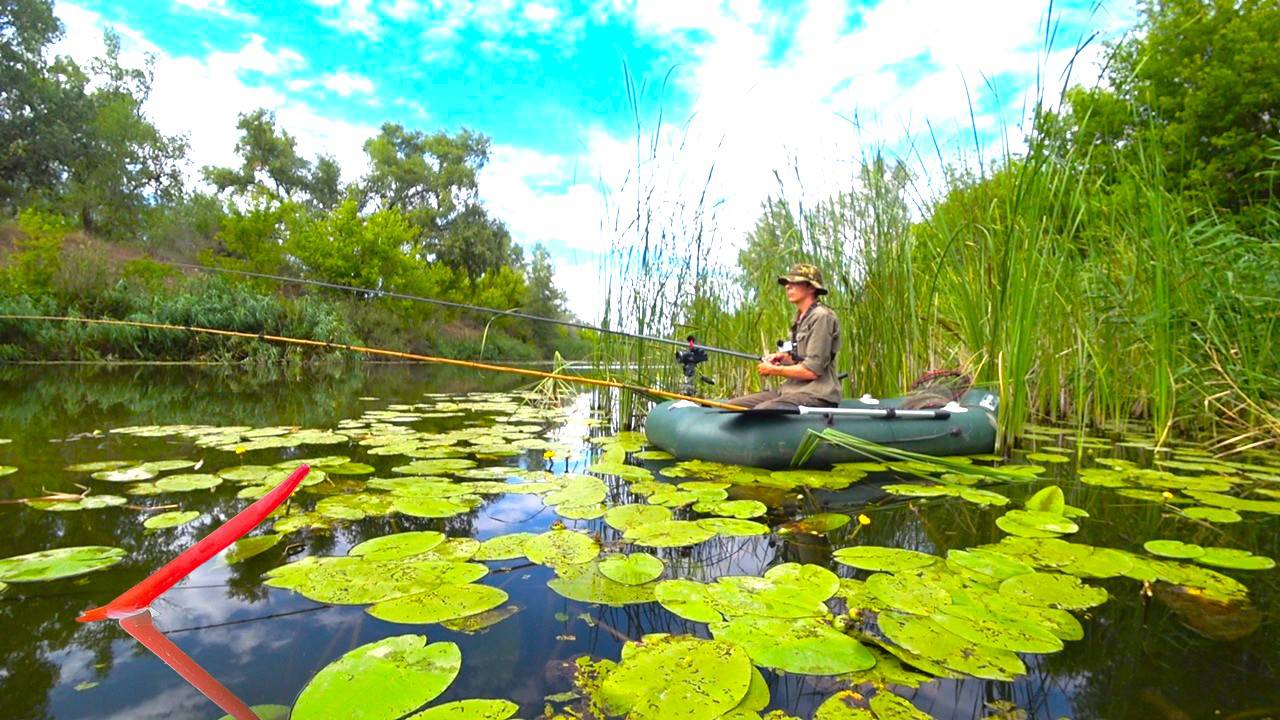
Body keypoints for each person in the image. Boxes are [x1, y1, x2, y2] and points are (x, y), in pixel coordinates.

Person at [728, 263, 842, 411]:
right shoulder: (800, 318)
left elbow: (812, 371)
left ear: (811, 287)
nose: (788, 287)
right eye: (788, 283)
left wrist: (773, 370)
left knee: (762, 412)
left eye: (795, 283)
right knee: (731, 407)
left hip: (815, 395)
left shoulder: (822, 317)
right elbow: (800, 359)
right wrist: (782, 358)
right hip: (790, 392)